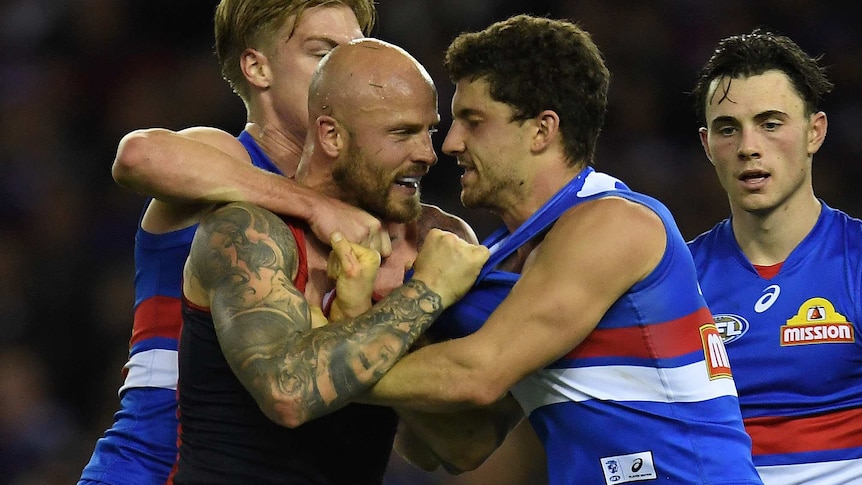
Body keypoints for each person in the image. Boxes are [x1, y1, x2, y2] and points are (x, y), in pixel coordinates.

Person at [358, 14, 764, 484]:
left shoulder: (615, 223)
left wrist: (326, 368)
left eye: (473, 121)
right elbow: (462, 445)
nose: (450, 143)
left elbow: (475, 374)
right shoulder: (496, 261)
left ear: (541, 129)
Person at [78, 2, 388, 484]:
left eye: (353, 55)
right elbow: (137, 154)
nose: (343, 76)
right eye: (322, 54)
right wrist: (309, 205)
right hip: (151, 468)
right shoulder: (227, 157)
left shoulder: (361, 210)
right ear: (257, 67)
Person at [170, 38, 490, 484]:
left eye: (429, 131)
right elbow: (287, 395)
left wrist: (363, 315)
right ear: (331, 135)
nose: (427, 154)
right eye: (401, 133)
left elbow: (462, 447)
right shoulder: (247, 232)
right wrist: (425, 293)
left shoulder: (434, 242)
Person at [687, 29, 862, 484]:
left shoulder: (857, 263)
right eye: (728, 129)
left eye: (770, 123)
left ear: (814, 132)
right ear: (707, 146)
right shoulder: (676, 281)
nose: (748, 147)